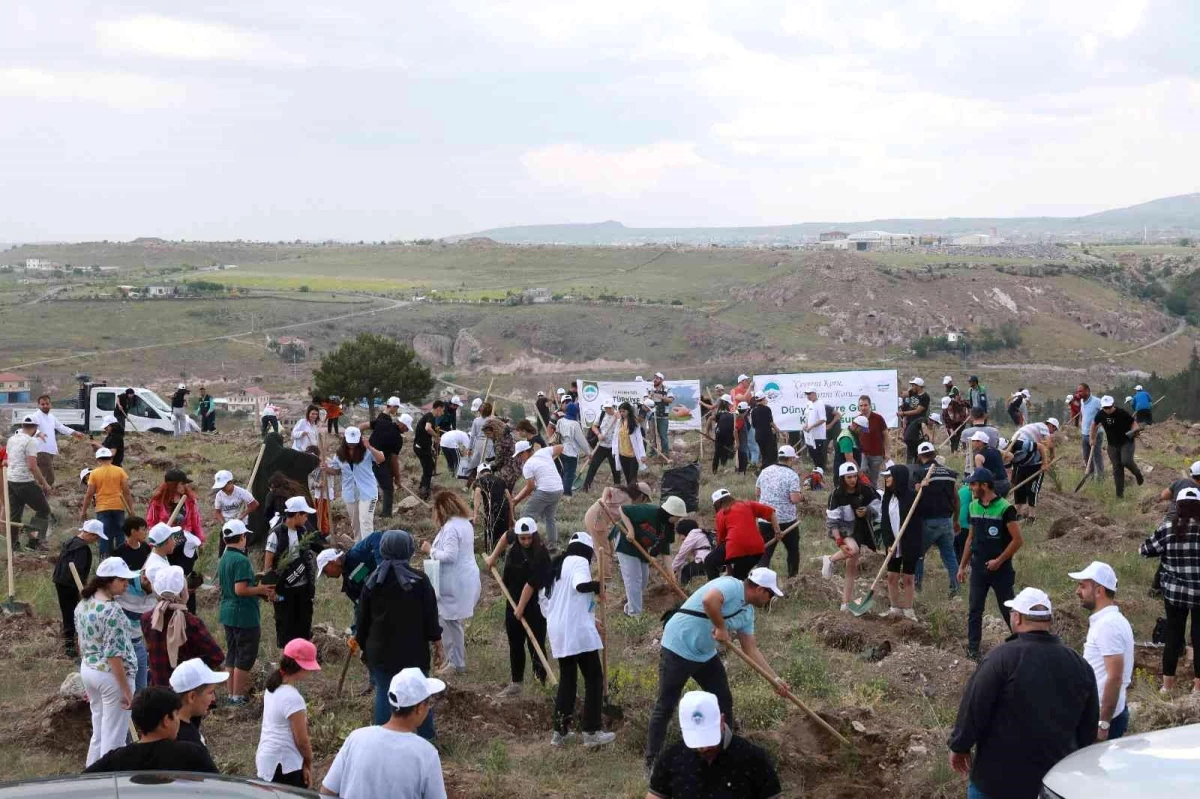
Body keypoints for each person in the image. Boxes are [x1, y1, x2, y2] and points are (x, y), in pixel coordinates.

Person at [948, 587, 1097, 799]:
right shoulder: (1080, 665)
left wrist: (959, 745)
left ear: (1017, 618)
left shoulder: (1001, 658)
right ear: (1048, 621)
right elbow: (1088, 728)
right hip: (1052, 783)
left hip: (996, 782)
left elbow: (974, 707)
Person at [645, 568, 786, 772]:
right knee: (666, 705)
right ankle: (652, 763)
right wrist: (721, 627)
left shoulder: (747, 612)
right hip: (678, 646)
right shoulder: (731, 585)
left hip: (704, 654)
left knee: (723, 700)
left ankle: (723, 754)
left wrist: (775, 679)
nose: (769, 599)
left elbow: (750, 649)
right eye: (770, 594)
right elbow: (709, 600)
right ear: (760, 590)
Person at [357, 530, 443, 735]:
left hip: (380, 651)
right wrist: (438, 645)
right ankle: (425, 737)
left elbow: (362, 619)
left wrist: (362, 646)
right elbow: (431, 617)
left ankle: (383, 737)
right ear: (408, 551)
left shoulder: (371, 581)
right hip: (413, 650)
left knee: (384, 694)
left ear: (383, 550)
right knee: (420, 693)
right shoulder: (420, 581)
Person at [320, 668, 448, 799]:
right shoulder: (426, 753)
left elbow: (326, 792)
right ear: (419, 708)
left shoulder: (356, 738)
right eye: (428, 704)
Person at [542, 531, 616, 748]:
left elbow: (568, 602)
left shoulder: (559, 566)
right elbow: (581, 586)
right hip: (575, 632)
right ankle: (591, 732)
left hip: (559, 629)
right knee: (594, 678)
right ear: (586, 550)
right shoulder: (578, 562)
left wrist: (591, 620)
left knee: (568, 680)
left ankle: (560, 733)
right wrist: (598, 586)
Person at [648, 690, 782, 799]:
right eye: (697, 740)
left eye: (708, 738)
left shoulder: (752, 758)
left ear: (722, 721)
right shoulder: (671, 758)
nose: (704, 747)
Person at [77, 556, 141, 766]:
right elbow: (114, 655)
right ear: (108, 581)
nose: (126, 584)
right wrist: (126, 690)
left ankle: (91, 775)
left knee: (100, 730)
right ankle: (110, 783)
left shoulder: (85, 603)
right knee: (114, 736)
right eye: (122, 580)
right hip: (110, 676)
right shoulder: (111, 611)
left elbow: (81, 641)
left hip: (90, 669)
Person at [957, 468, 1024, 661]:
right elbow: (970, 538)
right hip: (978, 569)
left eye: (973, 484)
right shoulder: (973, 507)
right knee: (974, 610)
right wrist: (962, 566)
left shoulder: (1005, 508)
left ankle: (1019, 646)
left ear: (984, 485)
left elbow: (1017, 540)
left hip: (1000, 570)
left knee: (1008, 609)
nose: (970, 488)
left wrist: (999, 561)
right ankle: (972, 650)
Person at [1140, 487, 1200, 693]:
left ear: (1177, 506)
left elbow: (1145, 550)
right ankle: (1198, 688)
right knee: (1199, 636)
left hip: (1174, 592)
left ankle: (1168, 686)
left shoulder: (1167, 528)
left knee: (1174, 635)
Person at [486, 516, 552, 697]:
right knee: (515, 642)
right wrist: (492, 557)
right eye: (522, 538)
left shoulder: (541, 554)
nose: (525, 541)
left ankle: (540, 682)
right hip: (512, 600)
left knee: (535, 643)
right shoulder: (514, 537)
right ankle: (516, 683)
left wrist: (521, 608)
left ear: (534, 535)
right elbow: (505, 538)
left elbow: (531, 585)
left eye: (529, 538)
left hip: (534, 604)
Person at [83, 685, 218, 774]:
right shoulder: (192, 753)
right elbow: (219, 785)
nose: (178, 720)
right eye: (177, 714)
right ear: (166, 720)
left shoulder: (116, 758)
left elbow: (84, 781)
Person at [1068, 561, 1134, 741]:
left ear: (1099, 591)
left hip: (1104, 720)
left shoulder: (1108, 625)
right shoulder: (1107, 621)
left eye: (1082, 586)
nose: (1077, 591)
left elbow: (1115, 678)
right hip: (1102, 715)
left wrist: (1103, 724)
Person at [420, 491, 481, 675]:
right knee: (450, 621)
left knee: (449, 622)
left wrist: (431, 550)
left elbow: (450, 556)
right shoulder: (465, 524)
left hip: (455, 582)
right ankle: (454, 661)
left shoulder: (452, 528)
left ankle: (455, 663)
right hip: (463, 579)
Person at [218, 519, 275, 705]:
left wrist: (254, 578)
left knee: (232, 654)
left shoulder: (224, 557)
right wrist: (261, 590)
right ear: (242, 537)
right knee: (245, 656)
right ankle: (238, 696)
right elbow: (240, 590)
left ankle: (230, 694)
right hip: (244, 615)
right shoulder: (241, 560)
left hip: (228, 613)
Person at [142, 565, 224, 687]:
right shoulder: (191, 622)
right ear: (183, 591)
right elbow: (216, 656)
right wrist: (191, 669)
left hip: (158, 690)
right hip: (186, 693)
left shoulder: (148, 618)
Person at [255, 638, 320, 788]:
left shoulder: (272, 687)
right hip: (285, 765)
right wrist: (308, 762)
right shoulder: (293, 698)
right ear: (302, 667)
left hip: (266, 759)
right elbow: (302, 741)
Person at [611, 496, 686, 617]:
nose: (678, 519)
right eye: (678, 516)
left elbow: (665, 553)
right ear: (671, 512)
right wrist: (631, 530)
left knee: (644, 580)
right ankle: (635, 614)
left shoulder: (668, 527)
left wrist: (671, 574)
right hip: (626, 541)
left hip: (641, 546)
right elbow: (623, 509)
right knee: (634, 579)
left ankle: (630, 606)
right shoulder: (649, 510)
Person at [822, 462, 881, 611]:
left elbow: (878, 504)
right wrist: (839, 542)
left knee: (852, 566)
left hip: (862, 529)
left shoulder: (866, 490)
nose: (853, 480)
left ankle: (845, 603)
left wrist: (867, 510)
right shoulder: (836, 495)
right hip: (844, 530)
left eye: (855, 476)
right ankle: (830, 559)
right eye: (849, 477)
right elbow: (832, 521)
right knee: (853, 550)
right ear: (842, 478)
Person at [264, 496, 319, 647]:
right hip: (284, 591)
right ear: (297, 515)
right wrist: (270, 589)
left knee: (304, 625)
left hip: (303, 589)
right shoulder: (276, 534)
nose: (307, 518)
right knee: (286, 627)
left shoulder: (303, 531)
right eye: (305, 515)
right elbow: (268, 562)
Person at [912, 442, 961, 599]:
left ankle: (916, 587)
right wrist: (956, 520)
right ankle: (956, 588)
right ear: (934, 454)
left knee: (918, 555)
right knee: (950, 556)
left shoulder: (919, 473)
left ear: (920, 456)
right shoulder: (949, 473)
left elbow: (914, 492)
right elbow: (956, 498)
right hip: (946, 521)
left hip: (927, 522)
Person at [877, 463, 924, 620]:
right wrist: (889, 542)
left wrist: (924, 490)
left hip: (910, 542)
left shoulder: (913, 497)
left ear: (898, 478)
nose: (886, 479)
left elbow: (919, 521)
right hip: (893, 544)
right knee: (891, 576)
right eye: (885, 477)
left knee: (908, 577)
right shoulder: (887, 498)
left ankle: (909, 609)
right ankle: (894, 608)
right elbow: (884, 522)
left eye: (889, 476)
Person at [52, 519, 105, 657]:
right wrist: (82, 590)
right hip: (70, 585)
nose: (96, 540)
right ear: (91, 534)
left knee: (67, 612)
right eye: (97, 537)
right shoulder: (82, 549)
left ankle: (71, 643)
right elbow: (78, 571)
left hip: (60, 581)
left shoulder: (70, 541)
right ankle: (70, 648)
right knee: (71, 614)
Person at [5, 414, 52, 550]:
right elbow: (32, 465)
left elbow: (9, 459)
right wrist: (44, 483)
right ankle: (34, 541)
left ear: (22, 425)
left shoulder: (12, 439)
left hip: (11, 479)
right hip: (24, 481)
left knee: (14, 514)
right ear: (35, 427)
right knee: (44, 510)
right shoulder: (31, 442)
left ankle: (14, 545)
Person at [330, 426, 385, 540]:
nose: (352, 445)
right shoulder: (339, 454)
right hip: (350, 493)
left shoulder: (367, 451)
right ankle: (359, 548)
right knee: (355, 524)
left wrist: (369, 446)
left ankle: (368, 550)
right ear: (345, 439)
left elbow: (381, 459)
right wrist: (326, 468)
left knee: (365, 521)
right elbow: (335, 471)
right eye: (350, 442)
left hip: (368, 492)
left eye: (354, 442)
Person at [712, 489, 780, 580]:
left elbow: (722, 542)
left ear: (717, 504)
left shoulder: (721, 513)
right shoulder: (747, 504)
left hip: (736, 551)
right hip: (758, 550)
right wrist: (777, 532)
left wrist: (729, 570)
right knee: (740, 575)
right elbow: (771, 513)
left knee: (737, 577)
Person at [756, 445, 802, 577]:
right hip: (786, 521)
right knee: (793, 551)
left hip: (765, 519)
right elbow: (794, 498)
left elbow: (757, 492)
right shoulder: (792, 475)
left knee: (765, 553)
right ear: (791, 459)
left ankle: (759, 581)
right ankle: (793, 579)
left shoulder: (765, 471)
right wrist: (801, 497)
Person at [80, 447, 133, 556]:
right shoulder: (119, 471)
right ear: (111, 459)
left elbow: (89, 494)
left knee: (103, 534)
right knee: (120, 534)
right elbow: (127, 492)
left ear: (98, 460)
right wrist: (131, 510)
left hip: (102, 508)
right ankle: (122, 558)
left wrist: (83, 511)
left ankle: (104, 559)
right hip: (118, 506)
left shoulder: (94, 473)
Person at [512, 439, 566, 546]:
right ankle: (553, 544)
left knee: (525, 515)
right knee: (549, 517)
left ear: (525, 452)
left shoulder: (528, 465)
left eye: (519, 455)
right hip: (558, 489)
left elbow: (530, 487)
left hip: (546, 491)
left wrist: (516, 500)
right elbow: (561, 447)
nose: (519, 458)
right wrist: (551, 458)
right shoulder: (543, 452)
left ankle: (529, 543)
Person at [169, 658, 228, 750]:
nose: (213, 698)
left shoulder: (179, 727)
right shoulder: (188, 743)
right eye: (210, 692)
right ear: (192, 697)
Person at [1093, 395, 1143, 499]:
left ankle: (1137, 473)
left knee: (1126, 461)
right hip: (1112, 445)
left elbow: (1134, 423)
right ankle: (1119, 495)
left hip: (1126, 442)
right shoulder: (1100, 414)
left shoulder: (1121, 413)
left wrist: (1135, 430)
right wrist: (1091, 438)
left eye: (1109, 407)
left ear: (1113, 405)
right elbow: (1094, 425)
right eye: (1105, 408)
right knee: (1117, 468)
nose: (1107, 410)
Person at [32, 393, 86, 486]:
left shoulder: (51, 417)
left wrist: (75, 433)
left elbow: (61, 427)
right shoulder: (36, 416)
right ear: (38, 405)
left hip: (49, 450)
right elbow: (31, 428)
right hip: (41, 450)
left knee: (44, 476)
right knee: (48, 477)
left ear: (50, 404)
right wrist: (38, 433)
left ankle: (40, 495)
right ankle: (39, 495)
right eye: (42, 404)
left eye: (47, 404)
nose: (45, 406)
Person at [366, 398, 405, 518]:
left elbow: (364, 426)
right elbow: (394, 459)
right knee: (387, 487)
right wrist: (397, 477)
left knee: (374, 485)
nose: (397, 409)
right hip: (377, 459)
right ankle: (385, 515)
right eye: (396, 407)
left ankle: (374, 510)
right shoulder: (385, 422)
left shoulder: (383, 420)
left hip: (373, 457)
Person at [212, 469, 258, 547]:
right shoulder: (219, 495)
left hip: (241, 524)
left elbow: (255, 504)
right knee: (224, 551)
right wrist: (223, 523)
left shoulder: (241, 492)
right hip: (227, 525)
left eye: (223, 486)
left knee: (241, 548)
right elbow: (217, 512)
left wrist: (242, 515)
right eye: (220, 487)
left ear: (230, 482)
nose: (221, 488)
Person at [556, 402, 592, 496]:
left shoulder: (560, 421)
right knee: (569, 474)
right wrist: (588, 452)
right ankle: (566, 493)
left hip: (561, 449)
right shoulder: (575, 424)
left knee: (564, 471)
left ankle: (562, 489)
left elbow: (557, 433)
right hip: (571, 452)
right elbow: (581, 440)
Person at [413, 400, 443, 498]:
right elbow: (428, 428)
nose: (442, 413)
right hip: (421, 448)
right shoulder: (430, 417)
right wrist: (436, 436)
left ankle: (423, 485)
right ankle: (424, 491)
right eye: (442, 411)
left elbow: (425, 434)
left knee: (431, 465)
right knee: (428, 469)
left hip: (422, 447)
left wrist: (432, 447)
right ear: (438, 409)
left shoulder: (428, 416)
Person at [968, 430, 1010, 498]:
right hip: (1005, 483)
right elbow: (1010, 456)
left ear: (980, 442)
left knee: (990, 506)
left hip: (994, 485)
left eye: (973, 441)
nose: (972, 443)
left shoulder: (979, 456)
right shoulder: (995, 449)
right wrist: (999, 462)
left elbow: (980, 476)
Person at [672, 519, 715, 585]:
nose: (680, 538)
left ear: (684, 531)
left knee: (686, 571)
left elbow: (681, 555)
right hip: (714, 559)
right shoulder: (700, 532)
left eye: (680, 534)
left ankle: (684, 590)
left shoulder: (691, 535)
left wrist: (672, 570)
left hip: (705, 559)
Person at [856, 396, 888, 485]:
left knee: (874, 479)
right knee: (862, 471)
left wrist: (887, 452)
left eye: (865, 405)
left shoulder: (878, 418)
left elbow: (886, 435)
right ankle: (864, 491)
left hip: (877, 454)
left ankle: (873, 495)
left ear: (870, 406)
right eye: (861, 405)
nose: (863, 408)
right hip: (862, 453)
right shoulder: (857, 420)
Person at [900, 378, 931, 463]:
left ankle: (916, 460)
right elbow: (902, 395)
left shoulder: (925, 397)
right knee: (908, 440)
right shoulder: (912, 392)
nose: (912, 387)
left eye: (913, 385)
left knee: (914, 441)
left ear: (918, 386)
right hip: (910, 421)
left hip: (918, 422)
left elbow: (918, 410)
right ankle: (911, 459)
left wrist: (903, 413)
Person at [801, 389, 830, 470]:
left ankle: (820, 472)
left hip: (818, 435)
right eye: (807, 394)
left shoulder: (820, 404)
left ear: (814, 393)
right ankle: (817, 471)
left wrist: (811, 426)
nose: (808, 396)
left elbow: (823, 419)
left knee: (818, 455)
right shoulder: (809, 403)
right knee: (812, 453)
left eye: (809, 394)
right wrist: (806, 425)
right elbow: (808, 417)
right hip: (810, 434)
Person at [749, 393, 779, 468]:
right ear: (762, 399)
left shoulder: (753, 410)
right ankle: (770, 469)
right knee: (770, 454)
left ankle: (763, 468)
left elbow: (753, 425)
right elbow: (771, 422)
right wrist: (777, 430)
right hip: (767, 435)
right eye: (765, 398)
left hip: (758, 435)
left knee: (763, 454)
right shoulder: (767, 409)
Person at [709, 396, 736, 474]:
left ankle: (715, 470)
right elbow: (711, 418)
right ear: (726, 403)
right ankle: (726, 467)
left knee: (717, 453)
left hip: (719, 434)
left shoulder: (720, 412)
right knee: (729, 450)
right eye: (730, 404)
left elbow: (711, 418)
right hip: (727, 435)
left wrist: (707, 432)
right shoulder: (727, 413)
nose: (731, 405)